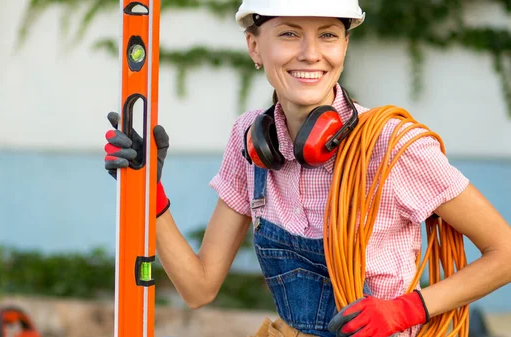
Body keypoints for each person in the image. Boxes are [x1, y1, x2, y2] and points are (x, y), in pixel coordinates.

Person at [103, 1, 511, 336]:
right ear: (254, 46)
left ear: (345, 46)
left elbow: (505, 253)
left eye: (328, 34)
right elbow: (198, 287)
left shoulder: (391, 146)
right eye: (289, 33)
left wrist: (406, 309)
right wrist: (147, 191)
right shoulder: (248, 140)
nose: (311, 53)